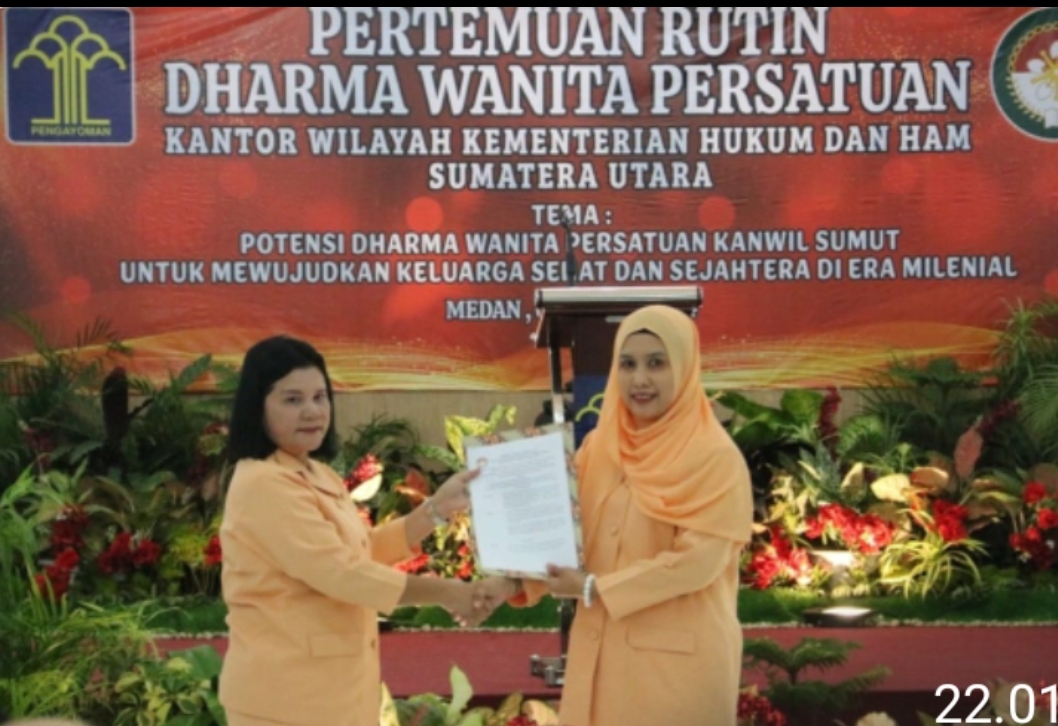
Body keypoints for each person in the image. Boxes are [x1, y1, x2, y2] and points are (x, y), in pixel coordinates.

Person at [483, 305, 754, 726]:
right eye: (627, 364)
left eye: (657, 363)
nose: (639, 379)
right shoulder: (600, 447)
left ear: (685, 368)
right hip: (601, 662)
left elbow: (698, 563)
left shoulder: (715, 458)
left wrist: (594, 587)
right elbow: (565, 536)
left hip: (677, 675)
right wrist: (513, 581)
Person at [218, 335, 500, 726]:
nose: (312, 411)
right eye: (292, 400)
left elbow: (361, 549)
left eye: (320, 397)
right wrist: (449, 592)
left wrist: (435, 508)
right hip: (285, 700)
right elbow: (341, 574)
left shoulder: (316, 473)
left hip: (335, 694)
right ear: (257, 408)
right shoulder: (263, 483)